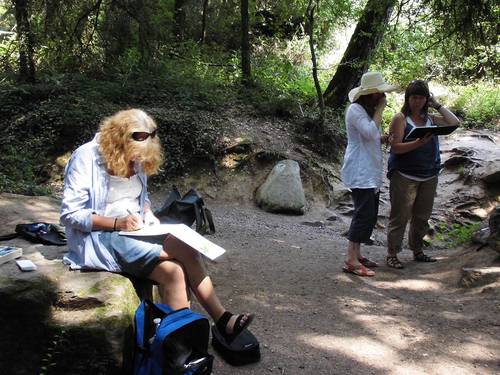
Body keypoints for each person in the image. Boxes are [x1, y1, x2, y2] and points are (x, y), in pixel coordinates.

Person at [60, 108, 253, 341]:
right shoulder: (86, 157)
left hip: (135, 230)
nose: (136, 163)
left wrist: (148, 213)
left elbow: (140, 197)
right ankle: (222, 319)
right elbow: (71, 214)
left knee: (174, 272)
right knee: (187, 249)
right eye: (134, 157)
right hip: (101, 236)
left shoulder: (139, 153)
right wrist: (116, 223)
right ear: (117, 141)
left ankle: (180, 346)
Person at [385, 80, 460, 268]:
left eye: (421, 97)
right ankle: (392, 253)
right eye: (413, 97)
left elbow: (455, 123)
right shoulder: (400, 118)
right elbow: (395, 147)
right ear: (407, 98)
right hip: (404, 175)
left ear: (426, 99)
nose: (416, 102)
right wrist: (419, 143)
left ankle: (417, 250)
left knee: (422, 217)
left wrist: (437, 104)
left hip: (429, 174)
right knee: (400, 216)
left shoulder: (431, 118)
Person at [341, 72, 396, 277]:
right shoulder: (355, 109)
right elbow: (369, 133)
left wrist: (382, 139)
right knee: (362, 214)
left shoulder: (365, 110)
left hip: (369, 170)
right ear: (370, 94)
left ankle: (358, 254)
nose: (382, 96)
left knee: (370, 214)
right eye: (379, 93)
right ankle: (350, 259)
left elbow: (370, 136)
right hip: (360, 170)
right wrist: (380, 111)